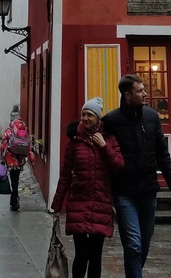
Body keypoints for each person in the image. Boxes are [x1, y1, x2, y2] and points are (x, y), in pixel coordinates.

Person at [102, 75, 171, 278]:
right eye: (140, 91)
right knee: (133, 244)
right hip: (124, 192)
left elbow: (162, 153)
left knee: (144, 244)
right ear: (128, 95)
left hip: (148, 190)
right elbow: (105, 158)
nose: (145, 94)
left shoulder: (152, 117)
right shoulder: (111, 121)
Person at [51, 97, 124, 278]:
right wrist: (57, 205)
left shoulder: (109, 139)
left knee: (95, 255)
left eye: (89, 115)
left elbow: (119, 166)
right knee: (81, 254)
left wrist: (104, 146)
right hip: (79, 202)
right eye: (83, 114)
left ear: (98, 118)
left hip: (100, 202)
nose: (84, 118)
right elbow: (65, 175)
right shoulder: (75, 143)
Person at [0, 105, 35, 211]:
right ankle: (15, 198)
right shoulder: (23, 128)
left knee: (13, 180)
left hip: (11, 160)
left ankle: (14, 200)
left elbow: (3, 145)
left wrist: (2, 159)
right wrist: (30, 159)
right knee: (16, 179)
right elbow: (29, 144)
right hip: (20, 160)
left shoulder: (10, 129)